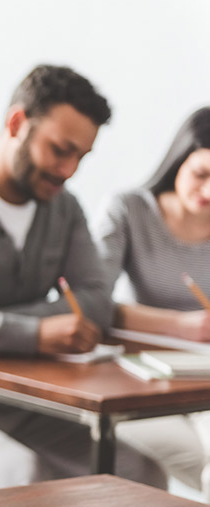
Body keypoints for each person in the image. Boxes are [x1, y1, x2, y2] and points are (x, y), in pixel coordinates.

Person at [0, 64, 166, 490]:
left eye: (81, 156)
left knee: (145, 475)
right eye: (61, 149)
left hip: (26, 403)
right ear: (17, 123)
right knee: (22, 475)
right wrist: (36, 333)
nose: (69, 170)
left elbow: (96, 299)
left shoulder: (64, 208)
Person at [96, 106, 210, 499]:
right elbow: (90, 304)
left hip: (205, 382)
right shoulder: (129, 209)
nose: (209, 191)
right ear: (178, 159)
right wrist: (184, 326)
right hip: (142, 377)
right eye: (201, 174)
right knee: (196, 465)